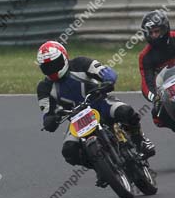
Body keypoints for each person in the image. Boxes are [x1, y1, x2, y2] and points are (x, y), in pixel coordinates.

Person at [37, 41, 155, 173]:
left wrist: (108, 81)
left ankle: (140, 141)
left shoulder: (80, 63)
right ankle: (101, 168)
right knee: (69, 151)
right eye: (47, 67)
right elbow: (47, 113)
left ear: (64, 58)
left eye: (54, 64)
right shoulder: (44, 88)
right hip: (77, 119)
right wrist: (50, 121)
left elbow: (105, 71)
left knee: (126, 112)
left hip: (101, 103)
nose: (52, 69)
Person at [140, 10, 175, 133]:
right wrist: (155, 98)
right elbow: (146, 83)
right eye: (151, 33)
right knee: (157, 115)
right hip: (168, 92)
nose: (154, 35)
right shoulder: (145, 56)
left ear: (165, 29)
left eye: (157, 31)